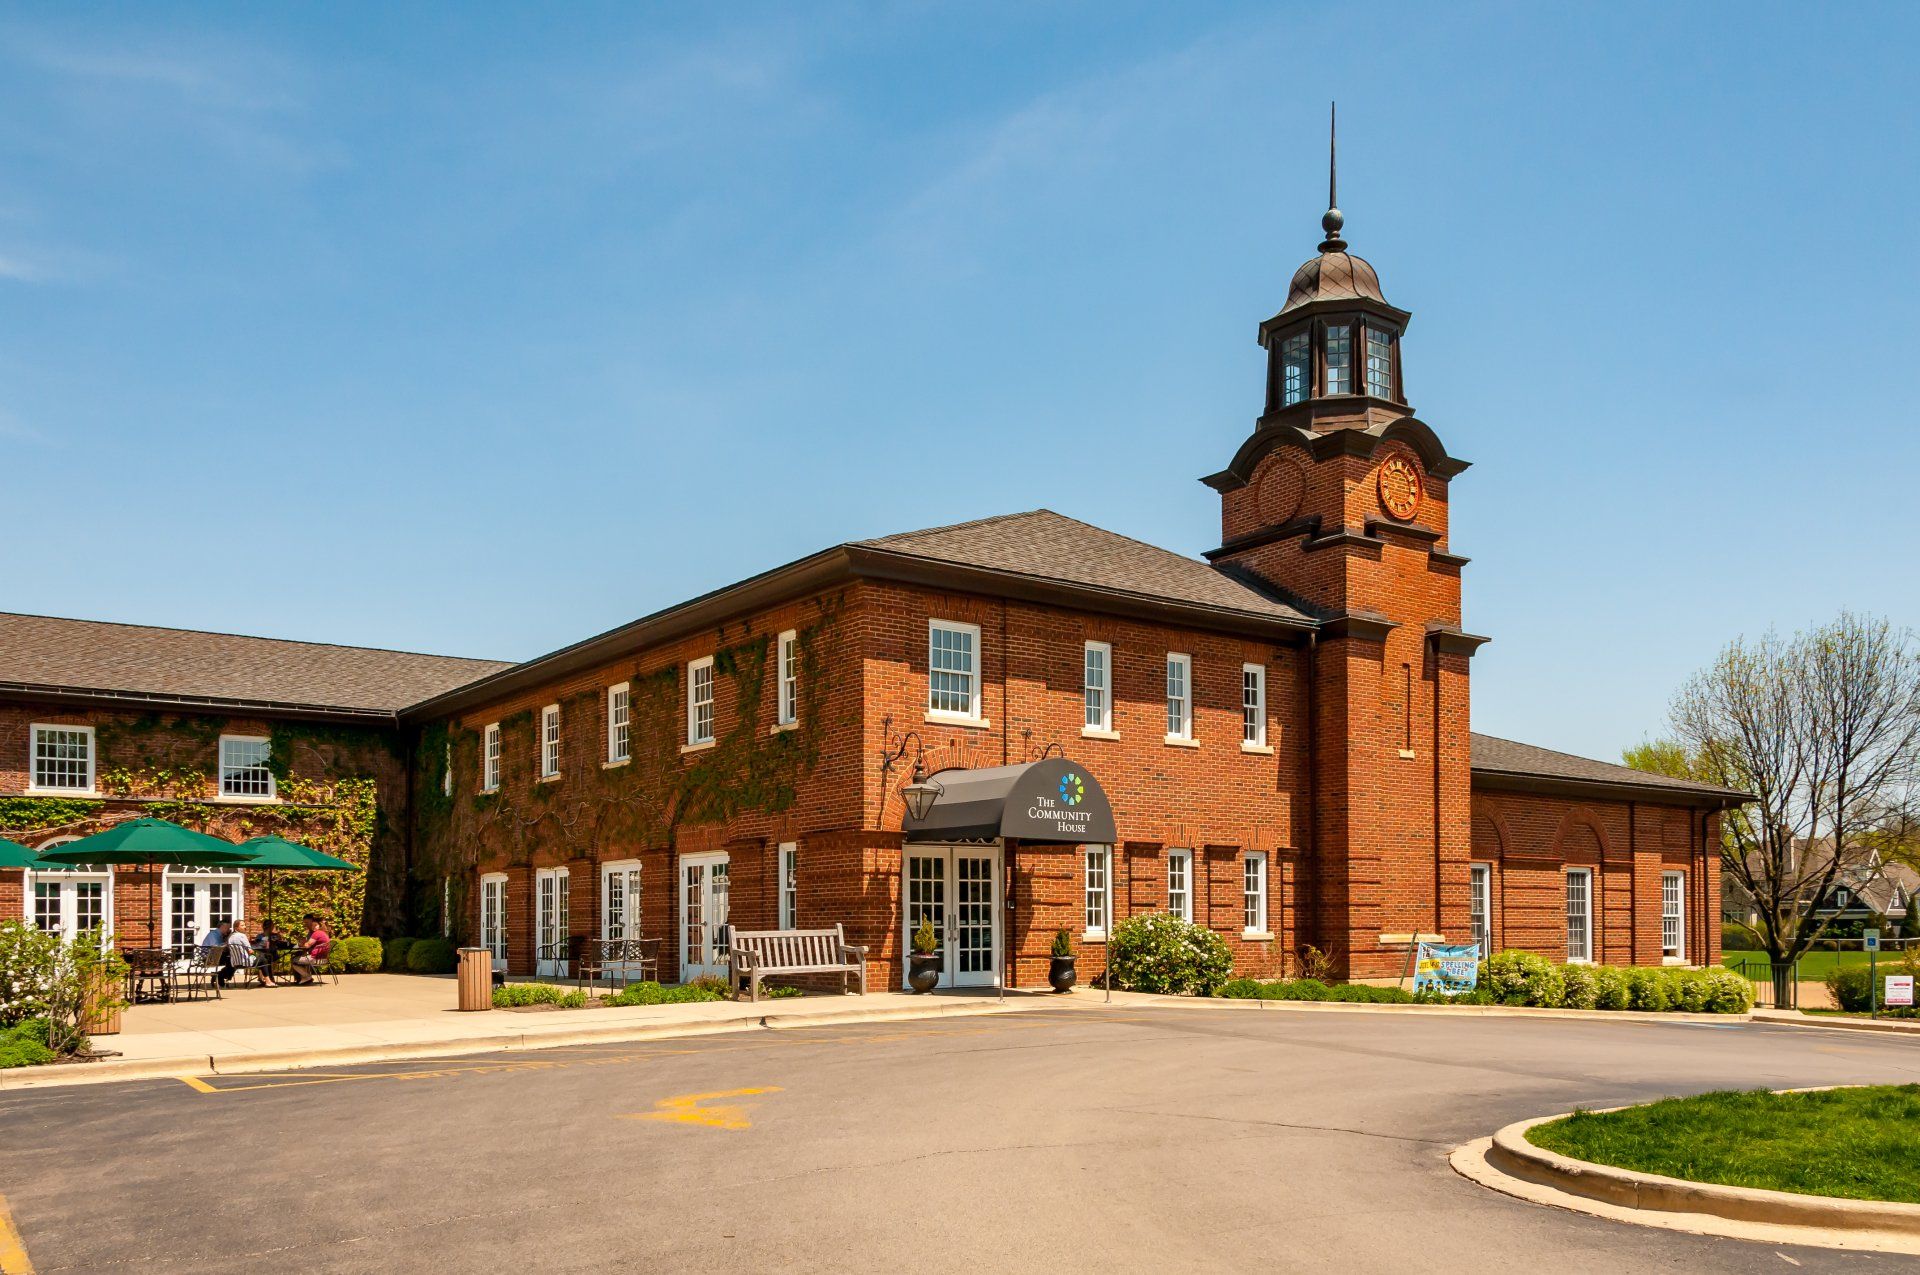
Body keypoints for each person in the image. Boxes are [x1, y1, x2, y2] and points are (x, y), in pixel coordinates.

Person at [291, 913, 332, 986]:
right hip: (323, 958)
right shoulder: (322, 933)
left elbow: (307, 945)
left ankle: (307, 977)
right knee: (299, 955)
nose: (306, 925)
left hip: (316, 958)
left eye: (307, 922)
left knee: (294, 960)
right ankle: (302, 979)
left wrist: (301, 944)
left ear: (317, 925)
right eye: (305, 923)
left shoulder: (316, 933)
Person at [216, 920, 255, 988]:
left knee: (230, 964)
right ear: (236, 928)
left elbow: (226, 947)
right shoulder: (242, 936)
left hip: (234, 961)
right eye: (242, 925)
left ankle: (221, 976)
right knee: (264, 959)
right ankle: (267, 980)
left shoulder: (230, 936)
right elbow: (250, 951)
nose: (245, 927)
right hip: (244, 961)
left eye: (244, 925)